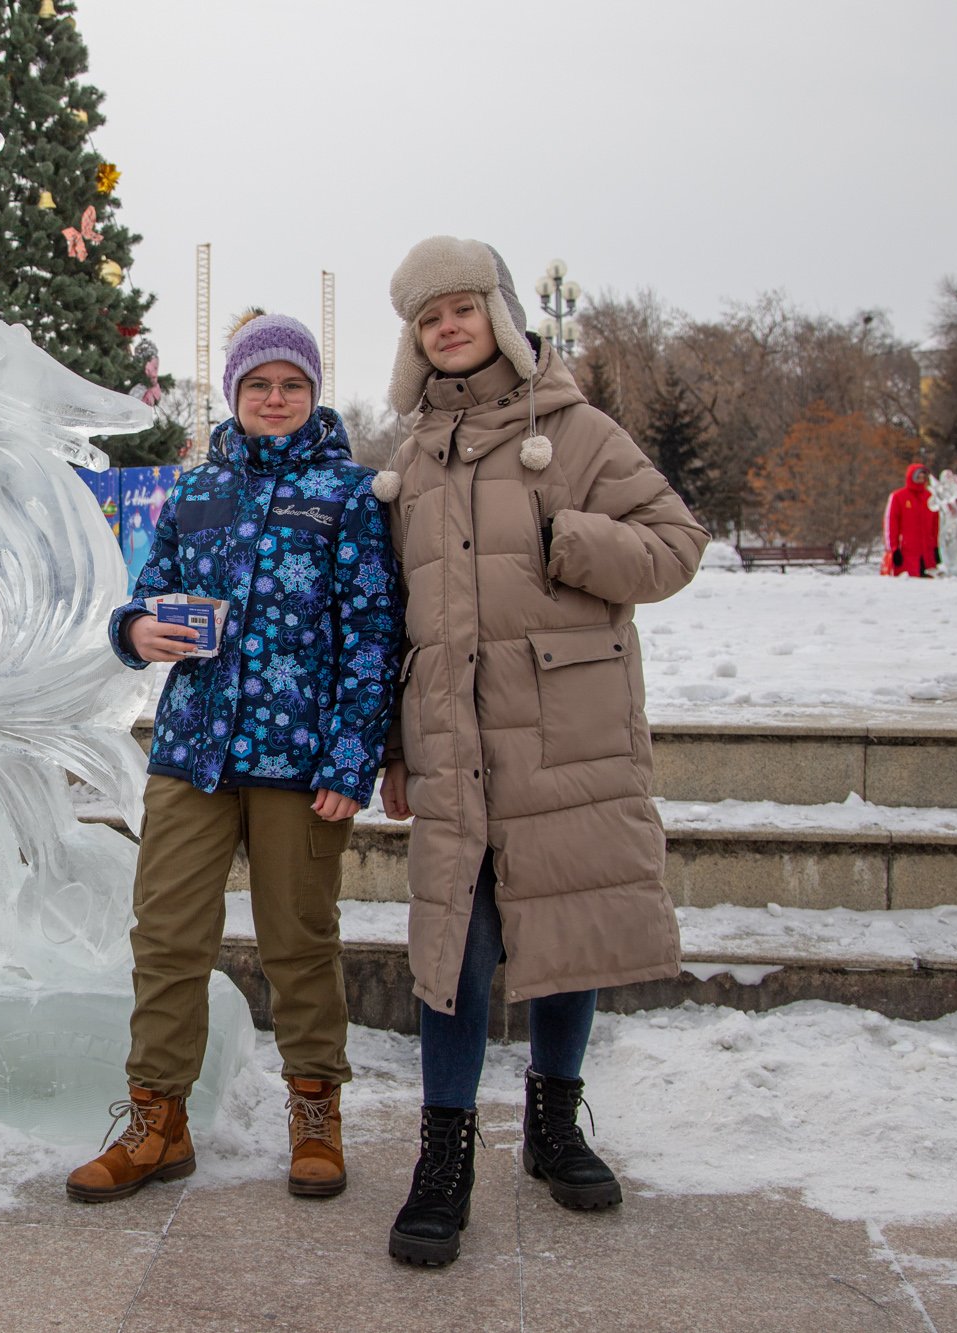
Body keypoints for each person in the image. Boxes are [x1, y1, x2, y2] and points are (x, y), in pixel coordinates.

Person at [370, 237, 708, 1266]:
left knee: (566, 931)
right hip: (451, 733)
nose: (445, 327)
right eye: (427, 317)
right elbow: (391, 619)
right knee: (453, 953)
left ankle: (553, 1126)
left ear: (500, 314)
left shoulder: (575, 430)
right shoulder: (406, 457)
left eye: (460, 307)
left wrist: (570, 535)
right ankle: (443, 1155)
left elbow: (675, 543)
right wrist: (390, 747)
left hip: (565, 727)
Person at [65, 312, 402, 1203]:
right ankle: (157, 1120)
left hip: (299, 760)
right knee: (167, 936)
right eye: (260, 385)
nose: (276, 397)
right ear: (235, 396)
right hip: (193, 753)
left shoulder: (351, 494)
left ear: (314, 392)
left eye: (292, 383)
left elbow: (372, 634)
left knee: (299, 940)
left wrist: (349, 760)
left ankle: (316, 1111)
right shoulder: (198, 490)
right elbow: (143, 599)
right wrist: (136, 628)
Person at [884, 463, 941, 577]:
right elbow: (891, 524)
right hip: (906, 552)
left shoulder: (931, 497)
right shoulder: (898, 497)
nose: (920, 480)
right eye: (918, 477)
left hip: (927, 553)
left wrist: (936, 547)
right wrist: (893, 549)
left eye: (923, 477)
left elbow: (935, 526)